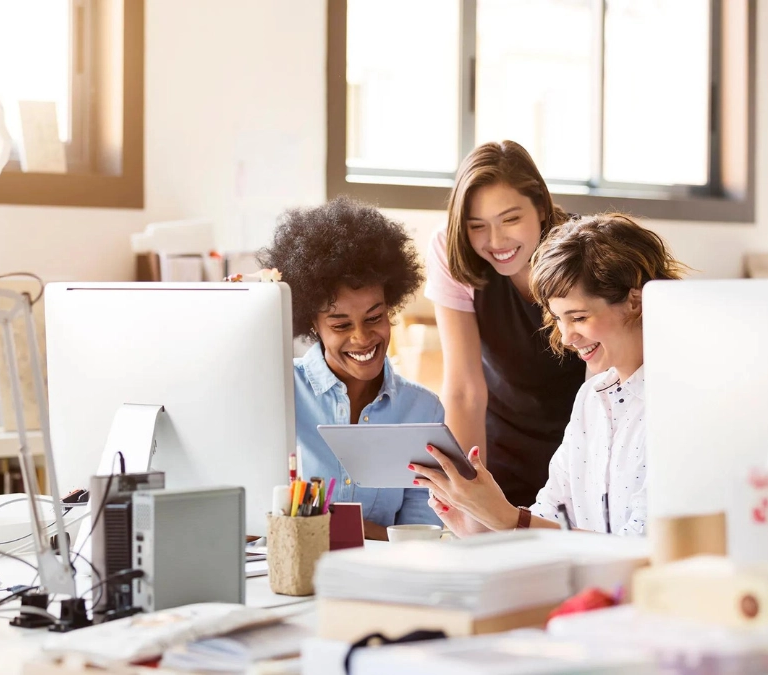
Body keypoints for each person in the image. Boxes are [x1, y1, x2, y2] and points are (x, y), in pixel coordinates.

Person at [411, 213, 688, 535]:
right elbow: (550, 515)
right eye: (558, 319)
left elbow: (645, 546)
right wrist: (481, 527)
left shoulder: (681, 402)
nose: (567, 337)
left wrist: (507, 519)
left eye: (579, 317)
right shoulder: (592, 398)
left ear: (635, 301)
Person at [258, 196, 443, 540]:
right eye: (341, 325)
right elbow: (256, 518)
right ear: (312, 325)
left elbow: (421, 535)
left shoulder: (422, 410)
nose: (362, 337)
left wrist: (334, 527)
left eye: (374, 317)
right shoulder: (278, 392)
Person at [425, 140, 586, 509]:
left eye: (511, 219)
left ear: (541, 207)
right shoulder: (450, 250)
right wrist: (467, 496)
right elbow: (464, 390)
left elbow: (604, 385)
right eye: (477, 226)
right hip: (500, 444)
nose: (496, 241)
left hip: (580, 442)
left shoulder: (582, 250)